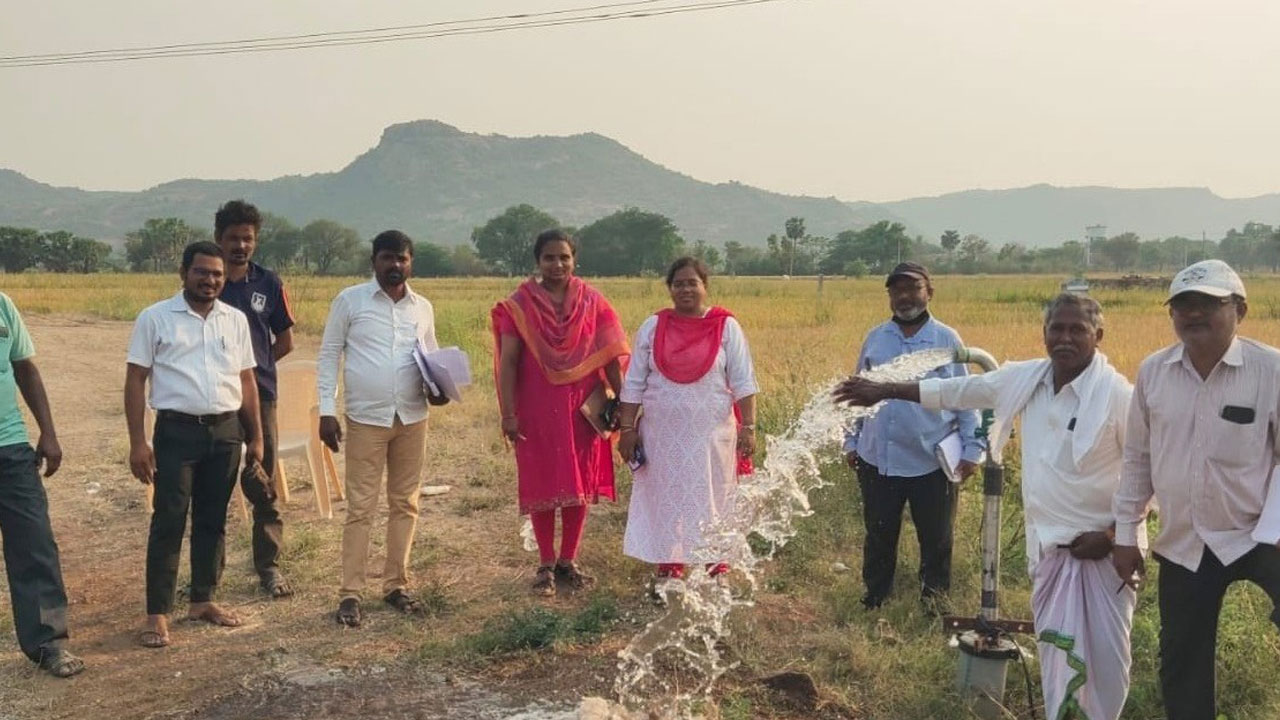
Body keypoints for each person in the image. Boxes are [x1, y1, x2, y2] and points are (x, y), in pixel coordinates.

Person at [835, 293, 1138, 720]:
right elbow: (958, 389)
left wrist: (1113, 537)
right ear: (1044, 334)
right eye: (1057, 328)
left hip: (1106, 556)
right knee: (1056, 655)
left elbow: (1149, 475)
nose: (1065, 338)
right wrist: (885, 390)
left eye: (1077, 329)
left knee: (1106, 663)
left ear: (1098, 335)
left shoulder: (1119, 396)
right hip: (1050, 549)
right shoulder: (1027, 379)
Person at [1112, 259, 1280, 720]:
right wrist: (1126, 535)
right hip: (1186, 541)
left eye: (1208, 303)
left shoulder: (1271, 370)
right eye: (1183, 305)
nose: (1193, 314)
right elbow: (1138, 458)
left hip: (1260, 533)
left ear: (1240, 310)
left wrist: (1277, 525)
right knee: (1182, 660)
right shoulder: (1154, 372)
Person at [125, 241, 264, 648]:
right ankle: (157, 614)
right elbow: (135, 379)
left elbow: (246, 381)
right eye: (202, 272)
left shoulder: (235, 320)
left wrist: (255, 436)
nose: (210, 280)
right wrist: (138, 442)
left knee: (212, 518)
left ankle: (203, 601)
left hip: (225, 432)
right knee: (168, 519)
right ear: (184, 273)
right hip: (176, 433)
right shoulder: (155, 318)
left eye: (217, 274)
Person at [492, 228, 629, 596]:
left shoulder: (593, 301)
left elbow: (612, 352)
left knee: (577, 483)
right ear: (537, 261)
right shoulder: (518, 305)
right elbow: (508, 362)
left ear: (575, 259)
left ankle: (568, 560)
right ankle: (545, 564)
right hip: (536, 406)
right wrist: (508, 413)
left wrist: (623, 403)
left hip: (583, 408)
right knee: (543, 482)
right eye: (549, 257)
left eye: (564, 257)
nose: (557, 264)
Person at [318, 230, 444, 627]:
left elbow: (432, 356)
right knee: (361, 507)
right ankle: (350, 593)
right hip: (365, 418)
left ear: (411, 262)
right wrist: (326, 410)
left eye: (402, 259)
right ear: (373, 261)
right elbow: (328, 355)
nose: (395, 266)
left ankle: (396, 585)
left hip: (412, 416)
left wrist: (440, 388)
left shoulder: (421, 307)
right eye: (388, 258)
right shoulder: (349, 300)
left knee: (406, 502)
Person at [843, 261, 982, 610]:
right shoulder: (876, 338)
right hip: (878, 458)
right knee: (878, 534)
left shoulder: (946, 339)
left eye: (913, 288)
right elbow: (857, 392)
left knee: (935, 538)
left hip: (931, 460)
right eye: (897, 290)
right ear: (889, 296)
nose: (905, 297)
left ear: (929, 292)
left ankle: (933, 602)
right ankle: (875, 598)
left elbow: (965, 396)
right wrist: (851, 441)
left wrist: (973, 449)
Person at [616, 257, 758, 584]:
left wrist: (748, 427)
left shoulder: (725, 327)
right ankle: (670, 568)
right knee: (667, 497)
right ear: (670, 289)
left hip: (711, 437)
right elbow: (634, 381)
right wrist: (626, 428)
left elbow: (743, 381)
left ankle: (715, 567)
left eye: (692, 282)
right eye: (678, 283)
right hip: (662, 436)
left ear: (705, 287)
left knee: (713, 496)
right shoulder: (653, 326)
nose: (685, 289)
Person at [214, 199, 297, 598]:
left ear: (256, 242)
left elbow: (285, 340)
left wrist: (256, 368)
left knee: (263, 482)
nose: (240, 246)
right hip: (214, 401)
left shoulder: (269, 283)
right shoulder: (208, 281)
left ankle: (268, 566)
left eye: (247, 239)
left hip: (261, 398)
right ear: (219, 239)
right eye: (233, 238)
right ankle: (208, 576)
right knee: (215, 486)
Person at [0, 292, 84, 677]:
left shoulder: (2, 304)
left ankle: (48, 642)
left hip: (12, 449)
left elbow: (25, 368)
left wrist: (48, 432)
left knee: (36, 547)